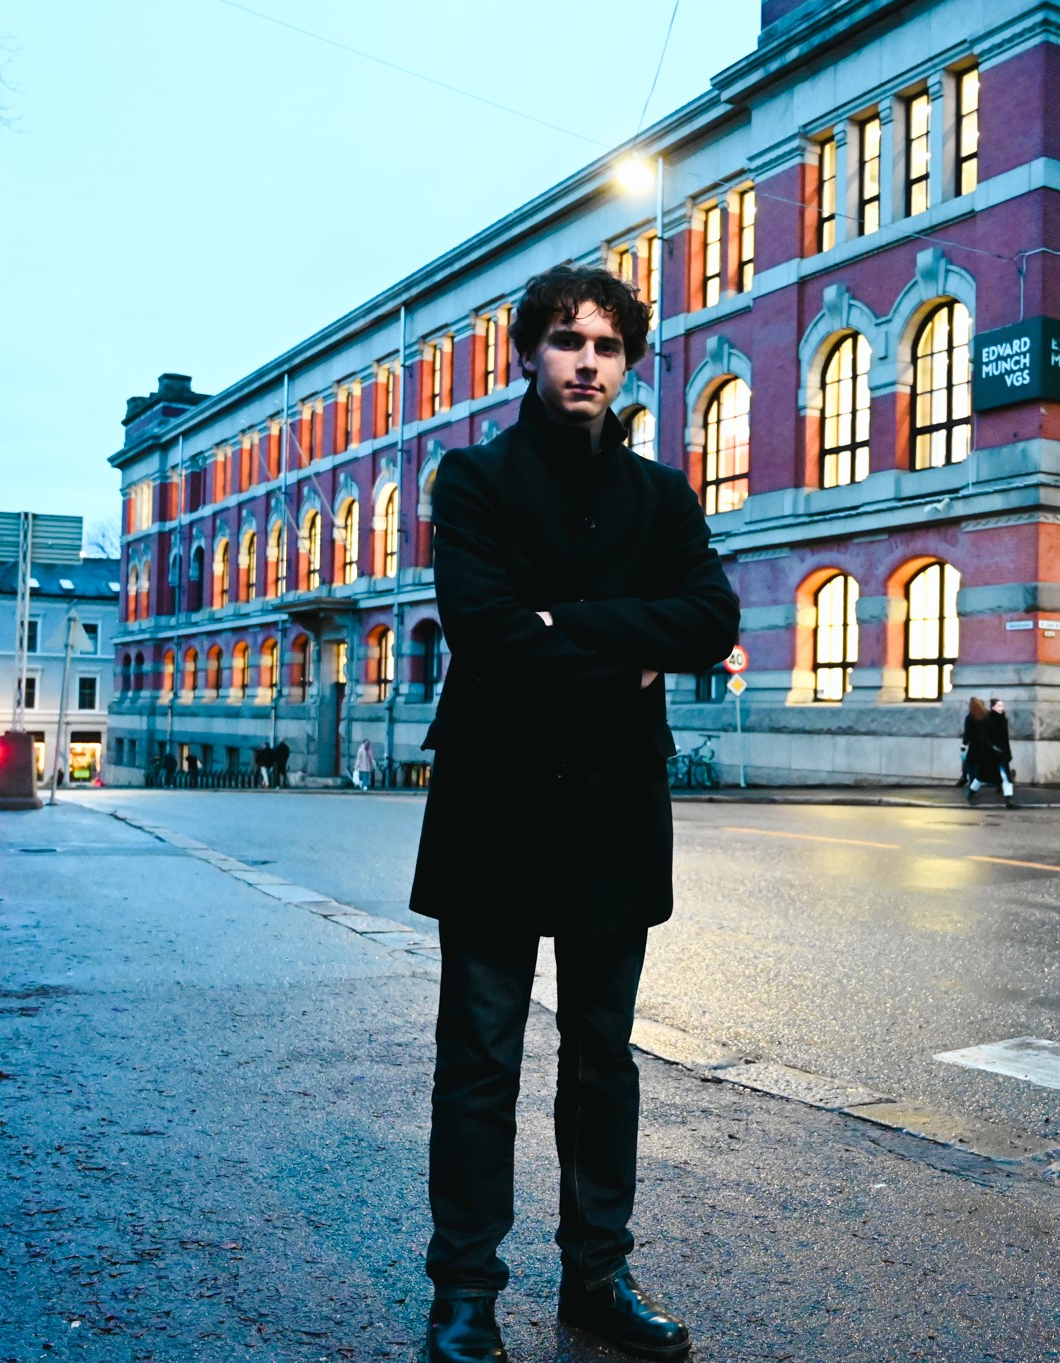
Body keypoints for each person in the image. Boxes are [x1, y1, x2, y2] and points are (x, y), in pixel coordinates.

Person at [409, 264, 739, 1363]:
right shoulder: (473, 480)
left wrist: (577, 622)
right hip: (494, 802)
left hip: (612, 810)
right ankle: (464, 1293)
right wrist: (628, 655)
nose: (586, 360)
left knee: (605, 1061)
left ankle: (598, 1276)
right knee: (480, 1059)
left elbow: (709, 620)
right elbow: (487, 630)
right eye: (565, 340)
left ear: (628, 361)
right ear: (530, 354)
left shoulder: (662, 497)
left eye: (604, 343)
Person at [963, 697, 1017, 809]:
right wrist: (991, 746)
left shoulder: (1003, 720)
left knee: (1005, 776)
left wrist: (1007, 752)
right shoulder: (987, 719)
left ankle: (1008, 800)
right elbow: (985, 736)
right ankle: (971, 792)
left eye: (1002, 705)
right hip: (989, 753)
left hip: (1001, 752)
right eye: (998, 706)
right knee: (981, 776)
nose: (1001, 708)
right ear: (993, 707)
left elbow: (1005, 738)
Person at [954, 697, 977, 786]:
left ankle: (967, 780)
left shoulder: (970, 717)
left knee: (970, 763)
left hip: (974, 744)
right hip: (984, 744)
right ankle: (965, 778)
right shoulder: (983, 716)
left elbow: (967, 734)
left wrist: (963, 746)